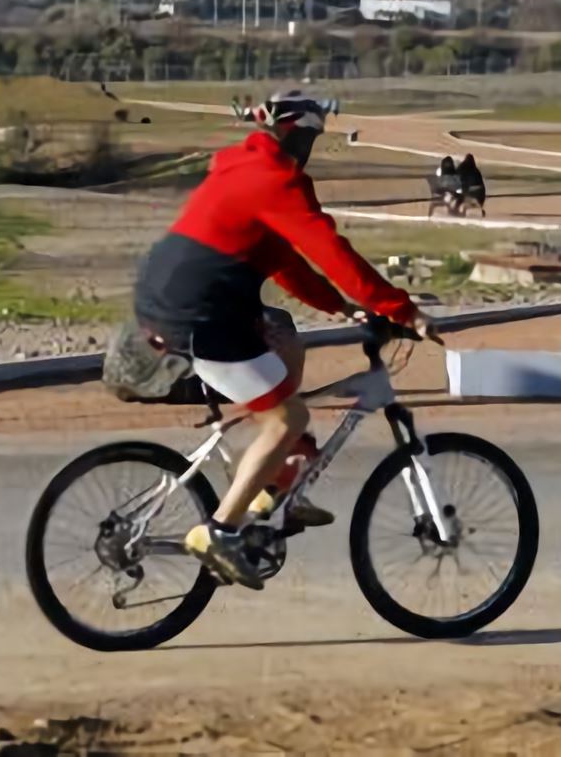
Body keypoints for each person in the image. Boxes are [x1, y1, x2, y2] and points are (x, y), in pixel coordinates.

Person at [132, 88, 432, 589]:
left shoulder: (247, 168)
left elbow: (287, 262)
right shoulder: (275, 178)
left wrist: (342, 306)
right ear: (298, 133)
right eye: (312, 135)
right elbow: (331, 251)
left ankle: (275, 480)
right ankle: (220, 530)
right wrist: (402, 309)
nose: (312, 146)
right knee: (289, 416)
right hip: (197, 314)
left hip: (179, 297)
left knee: (287, 342)